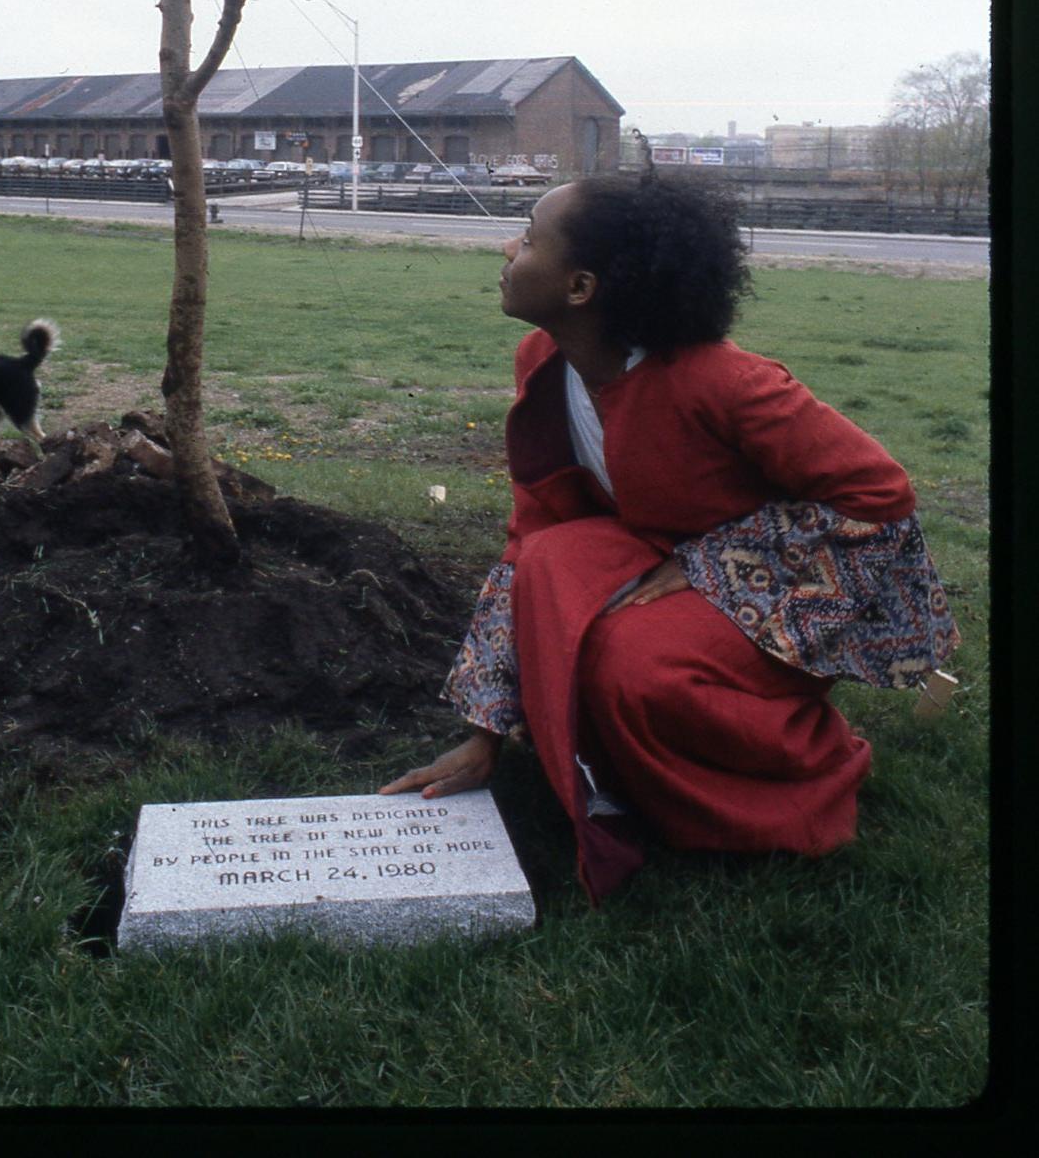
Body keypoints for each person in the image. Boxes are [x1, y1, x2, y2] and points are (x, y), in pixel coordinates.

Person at [381, 173, 959, 903]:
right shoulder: (541, 362)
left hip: (775, 599)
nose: (505, 247)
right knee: (552, 561)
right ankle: (617, 780)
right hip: (653, 558)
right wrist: (484, 732)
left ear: (580, 286)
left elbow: (882, 495)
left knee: (631, 663)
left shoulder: (726, 382)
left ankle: (807, 774)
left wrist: (715, 564)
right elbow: (533, 534)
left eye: (528, 238)